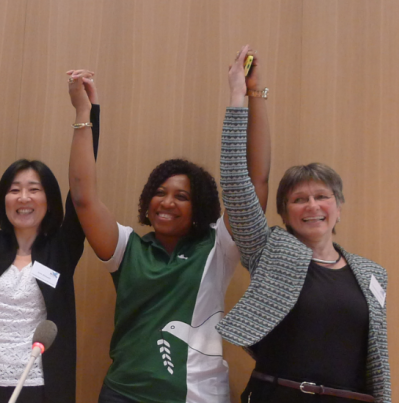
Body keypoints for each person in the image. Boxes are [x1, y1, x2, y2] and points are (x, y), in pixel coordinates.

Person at [68, 46, 270, 402]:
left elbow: (255, 183)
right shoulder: (127, 248)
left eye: (182, 196)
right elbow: (83, 197)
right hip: (123, 393)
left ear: (200, 206)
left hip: (198, 396)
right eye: (160, 192)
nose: (167, 202)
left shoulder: (219, 246)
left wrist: (250, 95)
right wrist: (84, 114)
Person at [216, 47, 391, 403]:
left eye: (322, 197)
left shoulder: (372, 274)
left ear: (338, 208)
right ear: (284, 214)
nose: (312, 206)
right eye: (299, 199)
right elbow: (237, 182)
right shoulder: (270, 251)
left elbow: (376, 364)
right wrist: (241, 95)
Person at [0, 70, 99, 403]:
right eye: (14, 190)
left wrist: (86, 113)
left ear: (49, 199)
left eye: (34, 190)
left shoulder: (62, 249)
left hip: (38, 390)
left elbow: (83, 187)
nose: (23, 198)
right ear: (4, 200)